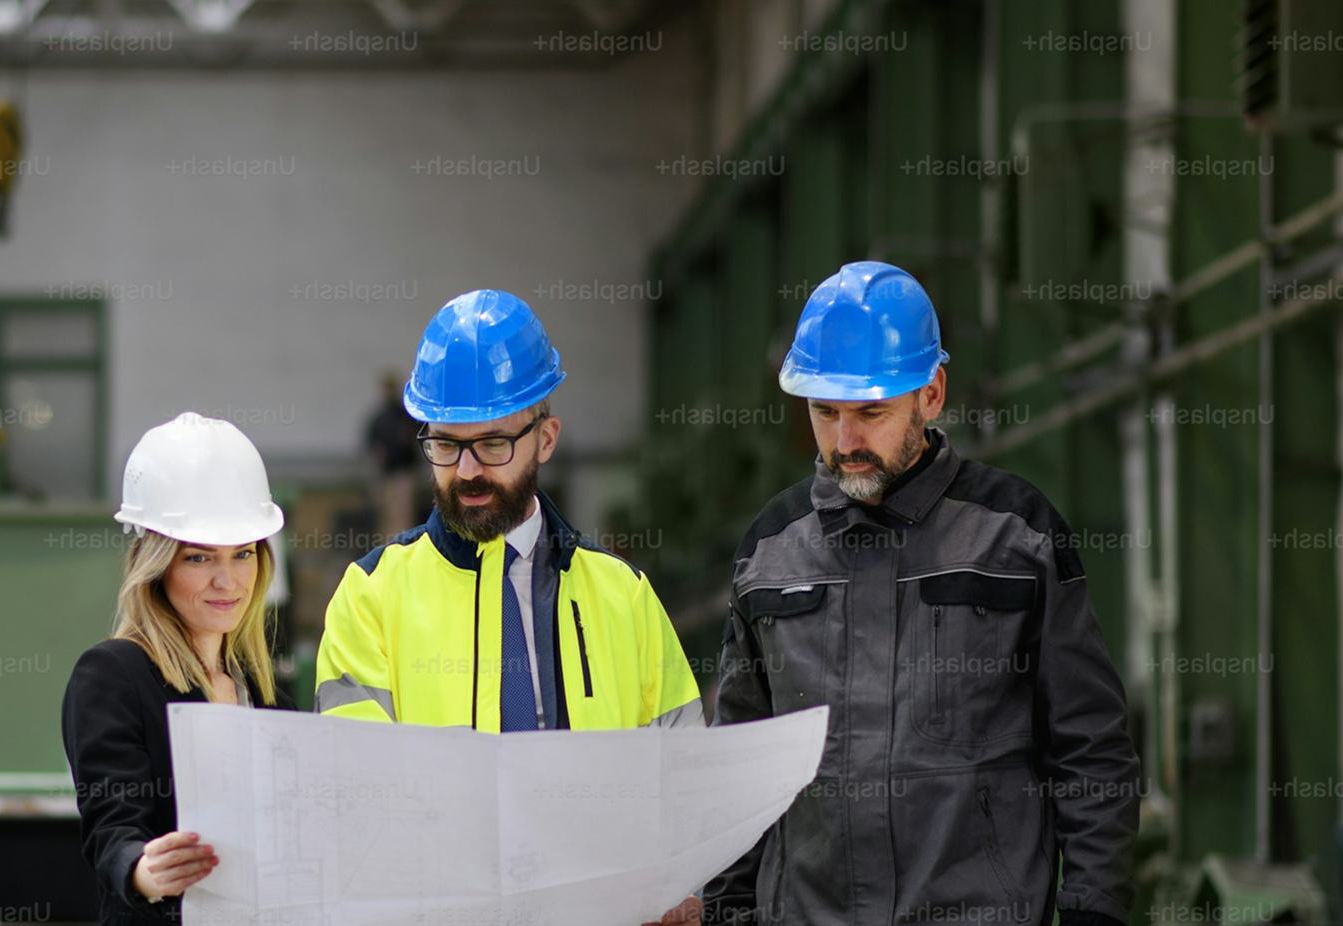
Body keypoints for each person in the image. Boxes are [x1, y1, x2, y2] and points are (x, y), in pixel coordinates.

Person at [700, 261, 1140, 926]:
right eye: (825, 412)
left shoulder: (1015, 538)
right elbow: (736, 772)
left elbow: (1092, 752)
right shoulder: (769, 553)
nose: (845, 442)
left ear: (931, 394)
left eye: (871, 412)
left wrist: (1092, 913)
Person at [314, 290, 706, 925]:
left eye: (493, 444)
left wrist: (681, 883)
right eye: (446, 444)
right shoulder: (373, 596)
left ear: (545, 438)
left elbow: (685, 775)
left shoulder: (623, 595)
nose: (466, 470)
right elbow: (355, 795)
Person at [65, 411, 293, 926]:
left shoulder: (265, 692)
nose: (227, 581)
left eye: (242, 555)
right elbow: (111, 828)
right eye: (198, 558)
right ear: (156, 562)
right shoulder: (113, 675)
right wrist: (145, 873)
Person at [363, 368, 422, 536]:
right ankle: (387, 546)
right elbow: (370, 442)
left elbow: (418, 435)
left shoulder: (405, 415)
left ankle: (404, 543)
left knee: (404, 513)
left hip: (404, 471)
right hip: (385, 473)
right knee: (385, 513)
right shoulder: (379, 417)